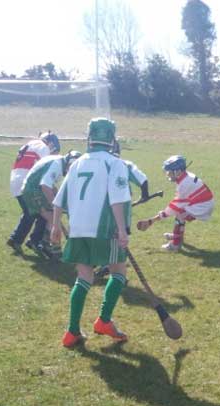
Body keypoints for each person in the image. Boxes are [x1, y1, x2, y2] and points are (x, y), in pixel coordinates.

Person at [51, 117, 132, 347]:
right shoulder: (115, 163)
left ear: (89, 138)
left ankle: (72, 331)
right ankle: (104, 321)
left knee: (84, 277)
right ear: (112, 139)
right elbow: (117, 200)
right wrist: (121, 230)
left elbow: (59, 200)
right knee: (119, 273)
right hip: (104, 229)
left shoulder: (76, 163)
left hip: (77, 229)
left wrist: (56, 226)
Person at [95, 141, 150, 279]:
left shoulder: (95, 163)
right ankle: (115, 270)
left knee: (105, 238)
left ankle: (110, 268)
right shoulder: (125, 164)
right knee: (119, 239)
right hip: (121, 209)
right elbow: (143, 180)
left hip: (98, 210)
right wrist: (144, 196)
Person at [136, 155, 214, 251]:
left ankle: (175, 244)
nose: (168, 174)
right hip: (201, 202)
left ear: (178, 171)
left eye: (170, 171)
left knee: (179, 213)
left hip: (202, 206)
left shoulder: (184, 184)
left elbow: (174, 207)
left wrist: (153, 220)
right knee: (180, 212)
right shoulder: (185, 177)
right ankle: (178, 237)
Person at [21, 150, 82, 259]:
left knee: (53, 217)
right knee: (53, 219)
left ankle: (43, 243)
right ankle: (52, 248)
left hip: (35, 188)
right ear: (68, 162)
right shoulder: (57, 165)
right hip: (32, 190)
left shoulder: (58, 161)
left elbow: (51, 185)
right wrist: (55, 205)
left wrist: (59, 200)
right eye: (70, 167)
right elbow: (45, 185)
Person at [7, 131, 61, 253]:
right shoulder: (43, 148)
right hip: (26, 183)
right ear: (51, 143)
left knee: (31, 212)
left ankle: (17, 239)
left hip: (15, 180)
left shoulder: (31, 144)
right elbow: (45, 171)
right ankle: (34, 241)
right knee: (42, 212)